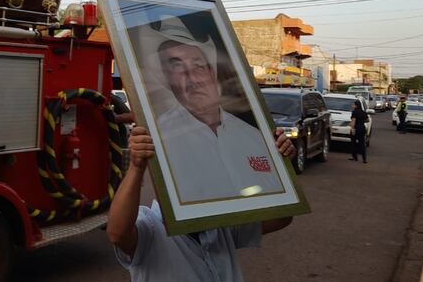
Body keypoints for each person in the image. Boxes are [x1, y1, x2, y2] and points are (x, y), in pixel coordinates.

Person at [107, 126, 295, 282]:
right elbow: (118, 233)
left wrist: (275, 160)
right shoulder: (151, 227)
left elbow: (282, 216)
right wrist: (136, 166)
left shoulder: (220, 224)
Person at [145, 16, 284, 202]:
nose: (192, 77)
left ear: (212, 73)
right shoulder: (157, 138)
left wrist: (283, 158)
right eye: (177, 67)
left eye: (198, 66)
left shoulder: (255, 136)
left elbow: (279, 205)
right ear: (167, 79)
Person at [349, 99, 368, 163]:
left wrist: (352, 128)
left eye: (353, 105)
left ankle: (355, 157)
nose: (352, 106)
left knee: (353, 143)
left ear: (356, 106)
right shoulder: (363, 112)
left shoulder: (354, 112)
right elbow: (367, 120)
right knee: (362, 144)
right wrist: (361, 121)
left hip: (356, 129)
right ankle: (364, 159)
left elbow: (353, 121)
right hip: (362, 129)